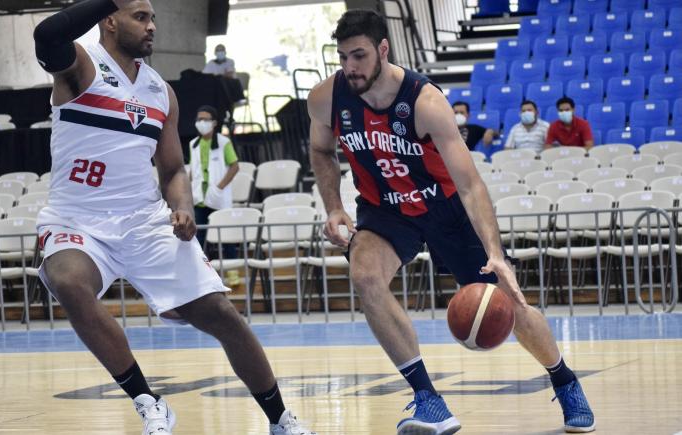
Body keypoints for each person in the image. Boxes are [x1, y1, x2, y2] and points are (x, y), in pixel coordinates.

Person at [32, 1, 314, 434]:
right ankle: (149, 402)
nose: (152, 27)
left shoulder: (161, 92)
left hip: (145, 222)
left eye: (153, 18)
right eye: (140, 17)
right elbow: (47, 35)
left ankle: (280, 419)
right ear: (110, 20)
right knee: (70, 281)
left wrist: (181, 206)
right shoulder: (82, 66)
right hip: (77, 220)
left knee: (222, 314)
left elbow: (173, 170)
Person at [308, 10, 594, 435]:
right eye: (343, 57)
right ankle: (429, 401)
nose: (350, 67)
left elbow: (471, 185)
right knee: (365, 274)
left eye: (359, 56)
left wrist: (496, 255)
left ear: (383, 50)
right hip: (385, 209)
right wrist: (334, 206)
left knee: (511, 302)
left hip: (444, 207)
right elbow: (320, 151)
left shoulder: (425, 102)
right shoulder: (327, 98)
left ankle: (565, 380)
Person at [189, 104, 241, 284]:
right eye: (199, 119)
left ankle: (232, 275)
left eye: (205, 119)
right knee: (199, 239)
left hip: (218, 197)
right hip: (200, 199)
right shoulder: (193, 144)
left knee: (225, 238)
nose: (201, 122)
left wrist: (219, 187)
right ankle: (204, 276)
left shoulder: (224, 142)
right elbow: (193, 170)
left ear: (214, 123)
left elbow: (235, 166)